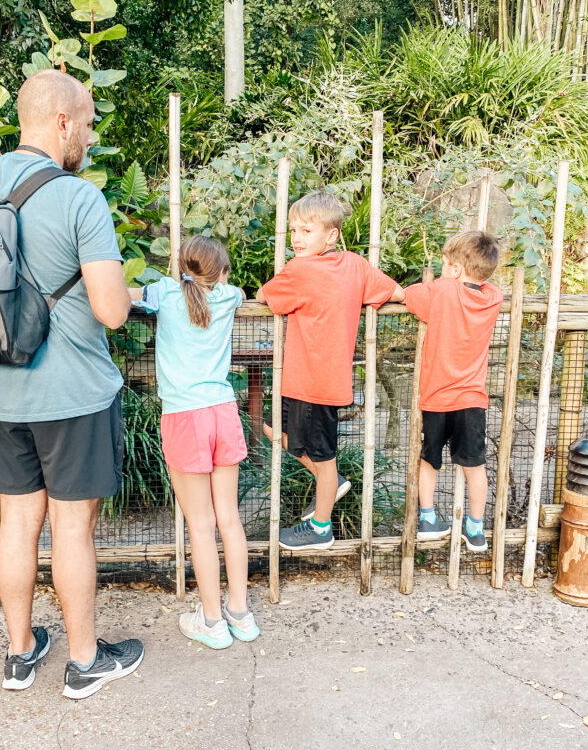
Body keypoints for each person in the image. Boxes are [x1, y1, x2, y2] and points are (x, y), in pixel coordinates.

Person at [0, 69, 143, 699]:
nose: (88, 135)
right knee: (73, 530)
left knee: (16, 523)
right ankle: (85, 662)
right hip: (72, 393)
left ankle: (20, 652)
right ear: (62, 121)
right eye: (85, 123)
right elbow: (112, 310)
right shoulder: (79, 197)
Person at [256, 190, 404, 550]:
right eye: (293, 231)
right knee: (281, 434)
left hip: (312, 383)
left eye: (306, 231)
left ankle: (321, 527)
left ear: (331, 234)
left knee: (321, 458)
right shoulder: (355, 265)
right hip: (307, 381)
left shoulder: (298, 271)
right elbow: (396, 292)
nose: (297, 238)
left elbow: (264, 296)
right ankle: (333, 482)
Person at [130, 235, 258, 648]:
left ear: (180, 265)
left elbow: (125, 295)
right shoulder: (231, 296)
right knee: (230, 520)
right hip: (222, 411)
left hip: (184, 417)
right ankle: (241, 614)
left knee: (200, 527)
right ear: (221, 272)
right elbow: (228, 289)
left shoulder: (163, 293)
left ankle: (213, 622)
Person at [402, 230, 503, 550]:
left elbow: (409, 295)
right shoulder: (493, 298)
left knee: (428, 460)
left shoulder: (441, 291)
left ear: (456, 270)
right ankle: (475, 528)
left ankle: (428, 518)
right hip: (472, 398)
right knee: (475, 467)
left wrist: (443, 281)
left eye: (445, 265)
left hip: (436, 397)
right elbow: (488, 284)